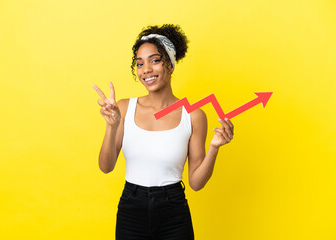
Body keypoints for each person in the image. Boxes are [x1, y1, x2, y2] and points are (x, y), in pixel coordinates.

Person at [93, 24, 234, 240]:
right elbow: (106, 167)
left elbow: (196, 183)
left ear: (171, 65)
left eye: (155, 60)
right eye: (139, 64)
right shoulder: (123, 108)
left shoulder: (194, 115)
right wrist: (111, 126)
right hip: (132, 209)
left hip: (173, 211)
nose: (146, 69)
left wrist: (215, 147)